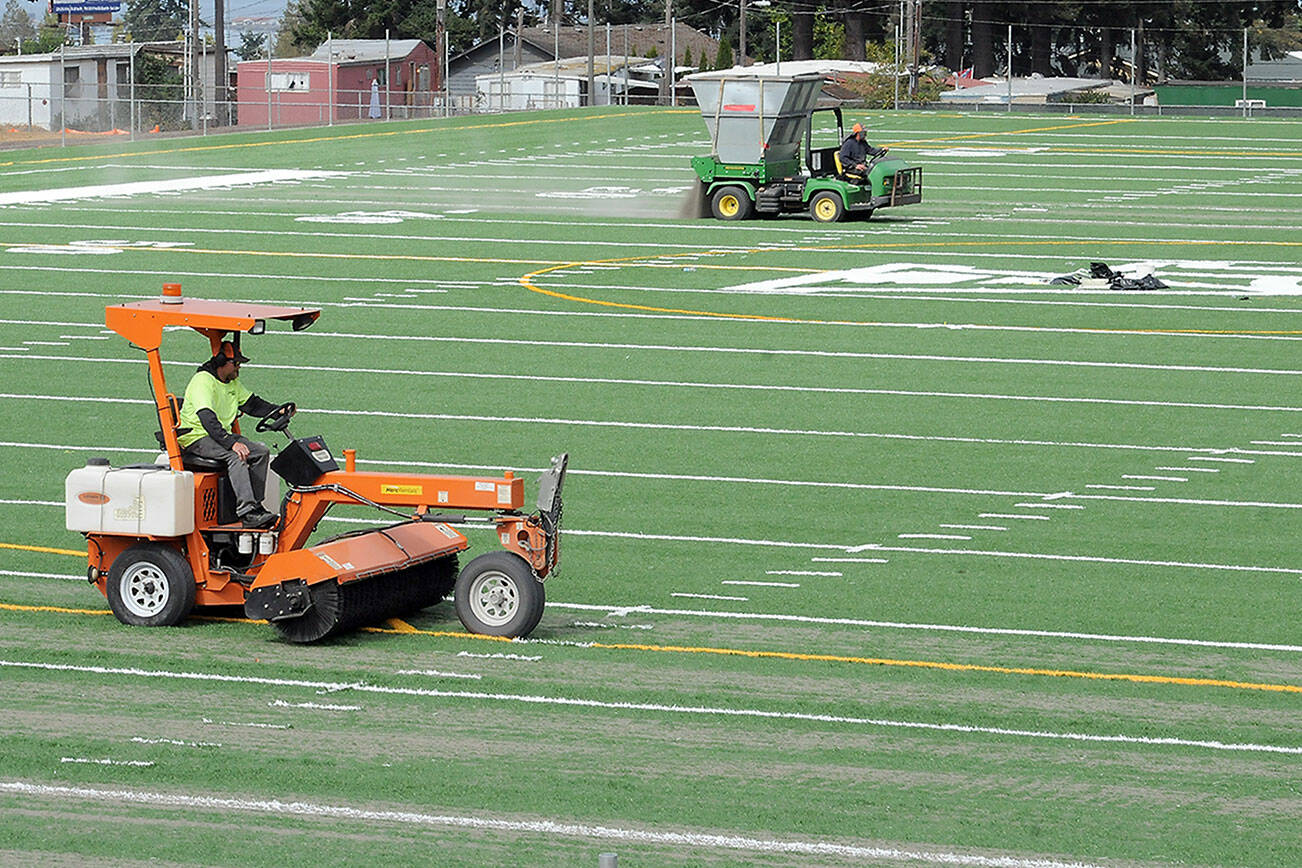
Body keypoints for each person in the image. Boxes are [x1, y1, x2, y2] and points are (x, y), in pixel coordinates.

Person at [176, 341, 291, 528]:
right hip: (196, 436)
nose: (239, 367)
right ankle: (246, 512)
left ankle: (255, 505)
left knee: (260, 451)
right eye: (236, 363)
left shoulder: (231, 382)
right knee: (235, 455)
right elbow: (207, 418)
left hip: (217, 434)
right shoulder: (202, 381)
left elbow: (252, 404)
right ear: (222, 362)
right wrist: (231, 443)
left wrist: (278, 410)